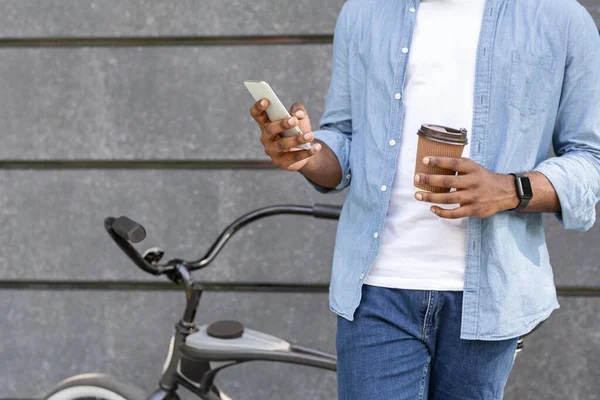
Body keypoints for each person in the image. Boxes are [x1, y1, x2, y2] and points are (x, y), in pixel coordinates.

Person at [250, 0, 600, 398]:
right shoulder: (363, 13)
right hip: (377, 290)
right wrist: (306, 154)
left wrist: (510, 189)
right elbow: (343, 139)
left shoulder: (560, 17)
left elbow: (592, 157)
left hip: (490, 294)